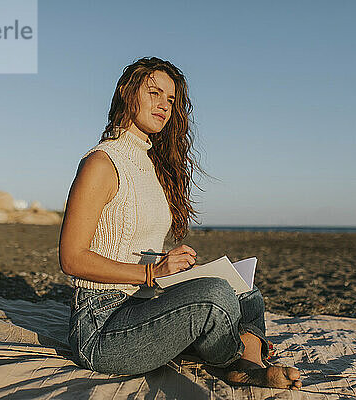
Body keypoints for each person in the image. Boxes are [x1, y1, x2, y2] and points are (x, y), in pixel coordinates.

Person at [58, 57, 302, 390]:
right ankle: (239, 360)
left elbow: (129, 247)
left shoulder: (152, 164)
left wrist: (173, 267)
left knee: (246, 292)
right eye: (154, 93)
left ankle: (248, 362)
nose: (163, 106)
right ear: (126, 92)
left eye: (170, 100)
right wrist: (152, 273)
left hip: (146, 301)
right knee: (215, 297)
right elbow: (72, 259)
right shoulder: (101, 163)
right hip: (103, 325)